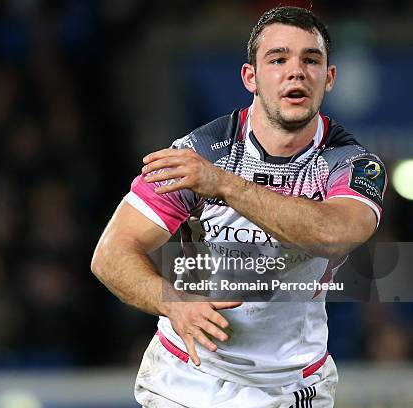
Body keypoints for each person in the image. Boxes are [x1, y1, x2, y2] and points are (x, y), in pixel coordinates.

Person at [91, 6, 387, 408]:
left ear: (328, 78)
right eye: (278, 59)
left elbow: (334, 235)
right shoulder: (196, 152)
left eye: (311, 60)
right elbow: (110, 254)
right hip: (188, 376)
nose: (295, 71)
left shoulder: (353, 164)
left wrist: (223, 185)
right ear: (251, 77)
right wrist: (171, 302)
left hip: (292, 386)